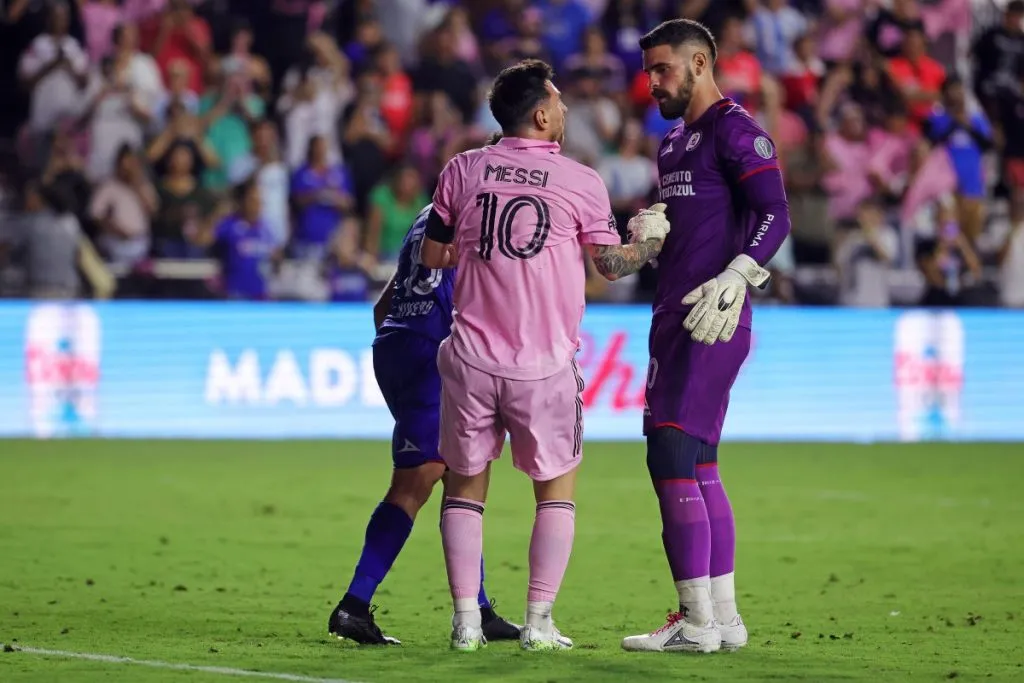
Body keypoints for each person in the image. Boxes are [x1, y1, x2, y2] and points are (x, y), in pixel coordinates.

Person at [418, 59, 669, 652]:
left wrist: (487, 259)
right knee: (555, 494)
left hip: (472, 357)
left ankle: (465, 623)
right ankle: (538, 622)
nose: (563, 111)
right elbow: (609, 267)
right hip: (543, 366)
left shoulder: (462, 170)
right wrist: (650, 244)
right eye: (558, 102)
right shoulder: (580, 181)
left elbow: (433, 255)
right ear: (539, 113)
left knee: (463, 491)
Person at [621, 19, 791, 654]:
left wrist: (741, 274)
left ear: (699, 62)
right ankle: (722, 618)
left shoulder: (737, 131)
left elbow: (776, 213)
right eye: (648, 72)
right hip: (674, 314)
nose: (652, 82)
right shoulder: (672, 145)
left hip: (713, 315)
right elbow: (684, 224)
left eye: (662, 69)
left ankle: (695, 624)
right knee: (700, 462)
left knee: (667, 454)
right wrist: (653, 229)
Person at [327, 136, 521, 646]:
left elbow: (384, 304)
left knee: (463, 472)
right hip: (435, 354)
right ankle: (354, 604)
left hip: (398, 344)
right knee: (418, 482)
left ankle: (478, 607)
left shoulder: (426, 216)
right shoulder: (485, 212)